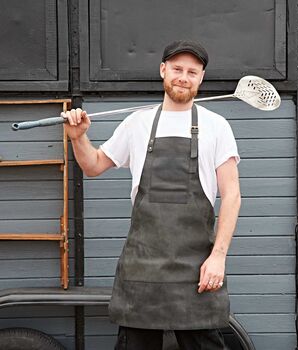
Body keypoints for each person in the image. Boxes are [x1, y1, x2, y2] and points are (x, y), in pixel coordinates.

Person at [62, 40, 241, 350]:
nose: (183, 77)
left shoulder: (217, 126)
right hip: (142, 269)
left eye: (192, 72)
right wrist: (79, 138)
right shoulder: (138, 123)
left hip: (196, 268)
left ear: (201, 78)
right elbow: (92, 166)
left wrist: (218, 257)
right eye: (177, 69)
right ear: (163, 70)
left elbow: (232, 196)